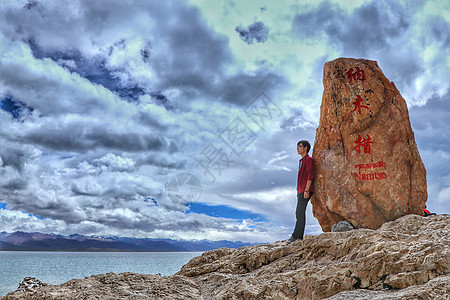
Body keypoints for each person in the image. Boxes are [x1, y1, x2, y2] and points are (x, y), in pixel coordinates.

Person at [287, 140, 315, 244]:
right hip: (301, 190)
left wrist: (306, 190)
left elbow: (310, 175)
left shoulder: (309, 160)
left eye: (300, 146)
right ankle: (297, 236)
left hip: (305, 190)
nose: (297, 148)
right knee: (299, 212)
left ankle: (297, 236)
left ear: (306, 148)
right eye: (297, 146)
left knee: (299, 212)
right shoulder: (302, 160)